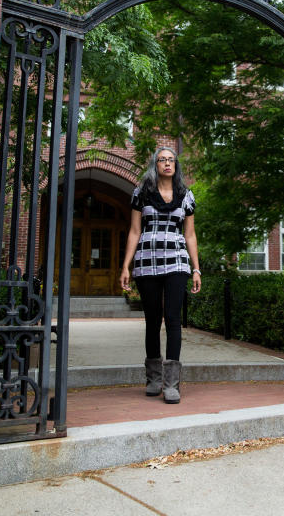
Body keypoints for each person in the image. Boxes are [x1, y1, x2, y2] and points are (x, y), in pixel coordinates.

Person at [120, 146, 202, 404]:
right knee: (153, 320)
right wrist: (126, 265)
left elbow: (189, 234)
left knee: (173, 318)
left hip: (177, 262)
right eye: (162, 160)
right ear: (155, 165)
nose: (167, 163)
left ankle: (171, 384)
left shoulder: (185, 196)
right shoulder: (141, 193)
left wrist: (196, 268)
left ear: (175, 165)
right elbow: (134, 231)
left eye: (171, 160)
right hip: (147, 262)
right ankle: (154, 379)